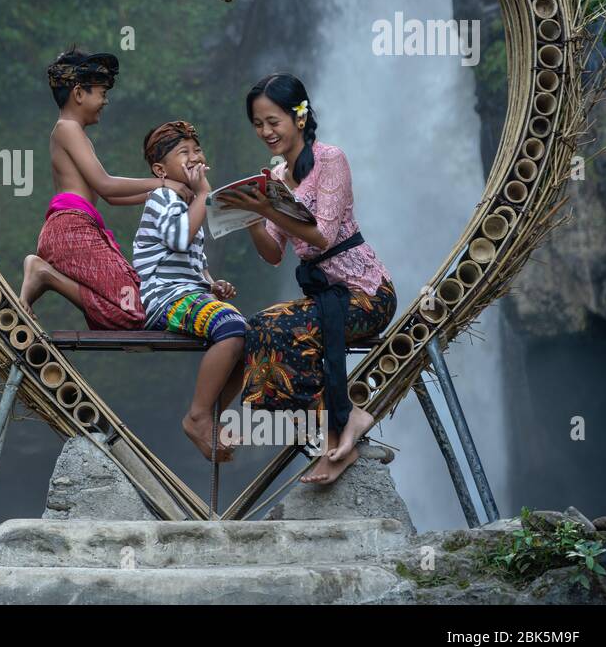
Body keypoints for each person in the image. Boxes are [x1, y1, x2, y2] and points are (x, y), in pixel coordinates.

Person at [217, 74, 397, 484]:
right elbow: (272, 252)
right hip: (325, 297)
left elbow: (322, 235)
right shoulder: (278, 178)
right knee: (259, 325)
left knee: (282, 326)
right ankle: (333, 428)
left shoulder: (330, 159)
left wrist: (268, 206)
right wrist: (247, 216)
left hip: (367, 293)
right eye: (258, 124)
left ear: (299, 117)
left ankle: (341, 429)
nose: (266, 131)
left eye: (273, 121)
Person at [20, 46, 193, 328]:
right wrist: (165, 182)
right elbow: (106, 184)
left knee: (132, 306)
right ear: (78, 93)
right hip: (71, 231)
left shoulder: (74, 133)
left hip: (78, 228)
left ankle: (46, 274)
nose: (105, 101)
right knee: (132, 310)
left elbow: (110, 197)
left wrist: (162, 192)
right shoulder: (67, 129)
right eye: (101, 93)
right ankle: (44, 274)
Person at [133, 120, 247, 463]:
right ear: (160, 170)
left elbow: (192, 258)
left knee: (250, 335)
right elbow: (180, 238)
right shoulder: (162, 196)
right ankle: (197, 416)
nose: (195, 157)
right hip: (163, 298)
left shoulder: (185, 202)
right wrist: (202, 194)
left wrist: (211, 283)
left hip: (187, 293)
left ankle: (211, 416)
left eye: (197, 150)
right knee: (231, 327)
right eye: (184, 153)